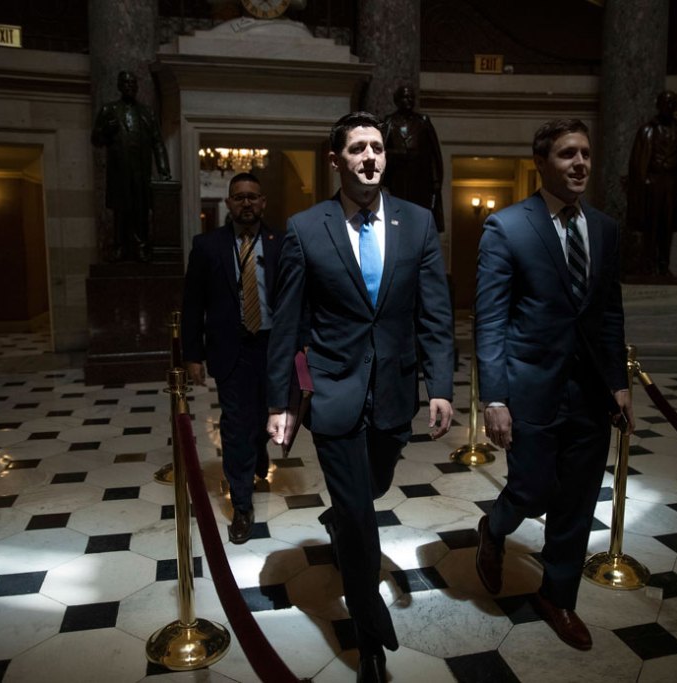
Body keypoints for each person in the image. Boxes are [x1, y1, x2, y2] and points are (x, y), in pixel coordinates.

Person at [266, 112, 455, 682]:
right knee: (358, 514)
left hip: (395, 391)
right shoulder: (305, 229)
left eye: (377, 148)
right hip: (334, 390)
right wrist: (280, 403)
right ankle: (370, 637)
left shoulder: (417, 223)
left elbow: (436, 314)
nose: (371, 156)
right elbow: (287, 325)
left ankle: (342, 520)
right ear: (337, 160)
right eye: (358, 149)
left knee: (372, 488)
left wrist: (441, 387)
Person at [474, 119, 634, 651]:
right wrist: (494, 398)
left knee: (579, 500)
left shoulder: (606, 229)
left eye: (586, 153)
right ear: (542, 161)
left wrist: (619, 384)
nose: (580, 163)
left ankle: (557, 596)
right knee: (533, 487)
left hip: (590, 393)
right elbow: (490, 320)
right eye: (568, 154)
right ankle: (494, 529)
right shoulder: (507, 227)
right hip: (530, 388)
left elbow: (609, 312)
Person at [181, 173, 279, 544]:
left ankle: (258, 451)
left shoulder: (280, 243)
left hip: (272, 348)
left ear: (263, 201)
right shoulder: (207, 246)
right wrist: (193, 354)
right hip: (230, 348)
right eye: (239, 197)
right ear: (228, 203)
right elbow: (193, 305)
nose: (247, 203)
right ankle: (241, 505)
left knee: (266, 414)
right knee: (236, 424)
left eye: (253, 196)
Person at [91, 70, 171, 263]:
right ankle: (119, 246)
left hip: (141, 171)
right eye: (125, 83)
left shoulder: (146, 113)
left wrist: (164, 170)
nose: (129, 87)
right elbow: (95, 139)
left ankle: (141, 245)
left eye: (132, 84)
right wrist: (106, 131)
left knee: (141, 209)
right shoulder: (109, 110)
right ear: (119, 86)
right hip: (119, 171)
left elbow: (157, 143)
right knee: (121, 209)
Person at [626, 90, 677, 276]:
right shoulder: (647, 130)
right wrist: (645, 182)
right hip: (652, 182)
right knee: (651, 225)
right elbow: (637, 163)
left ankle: (663, 264)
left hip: (672, 183)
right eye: (666, 103)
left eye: (672, 103)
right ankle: (648, 264)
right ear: (659, 105)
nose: (669, 106)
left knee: (667, 226)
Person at [382, 85, 445, 232]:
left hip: (420, 178)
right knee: (399, 213)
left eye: (411, 97)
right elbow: (381, 152)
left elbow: (434, 154)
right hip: (398, 178)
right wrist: (397, 153)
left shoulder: (423, 121)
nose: (409, 100)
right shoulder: (389, 122)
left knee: (419, 215)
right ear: (397, 100)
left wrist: (436, 181)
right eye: (405, 97)